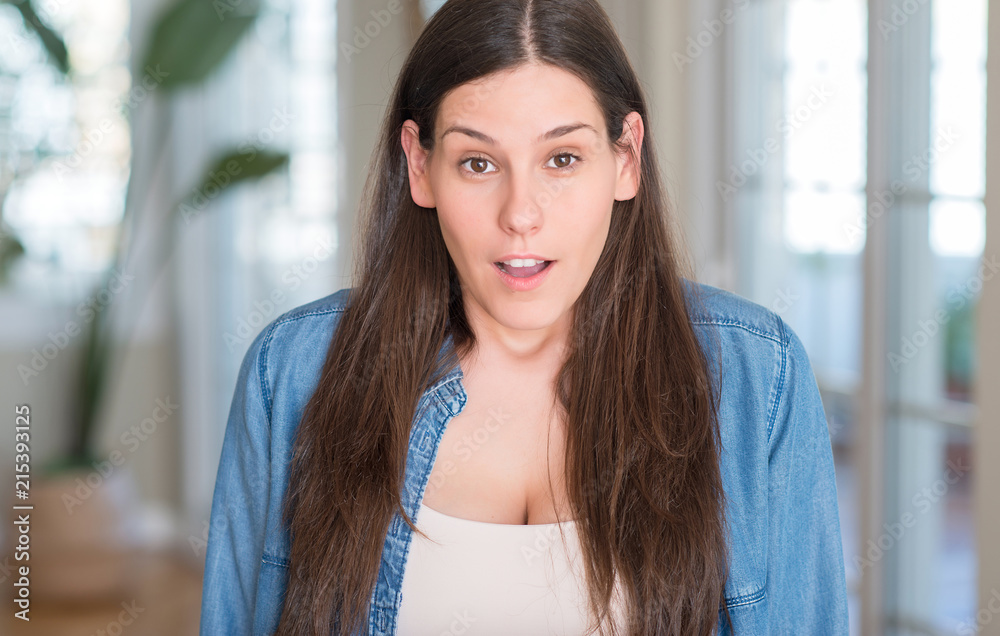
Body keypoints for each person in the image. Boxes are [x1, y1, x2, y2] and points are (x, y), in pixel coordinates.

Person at [199, 0, 849, 634]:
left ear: (625, 158)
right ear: (420, 165)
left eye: (562, 159)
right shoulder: (292, 371)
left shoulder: (758, 375)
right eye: (478, 163)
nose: (521, 213)